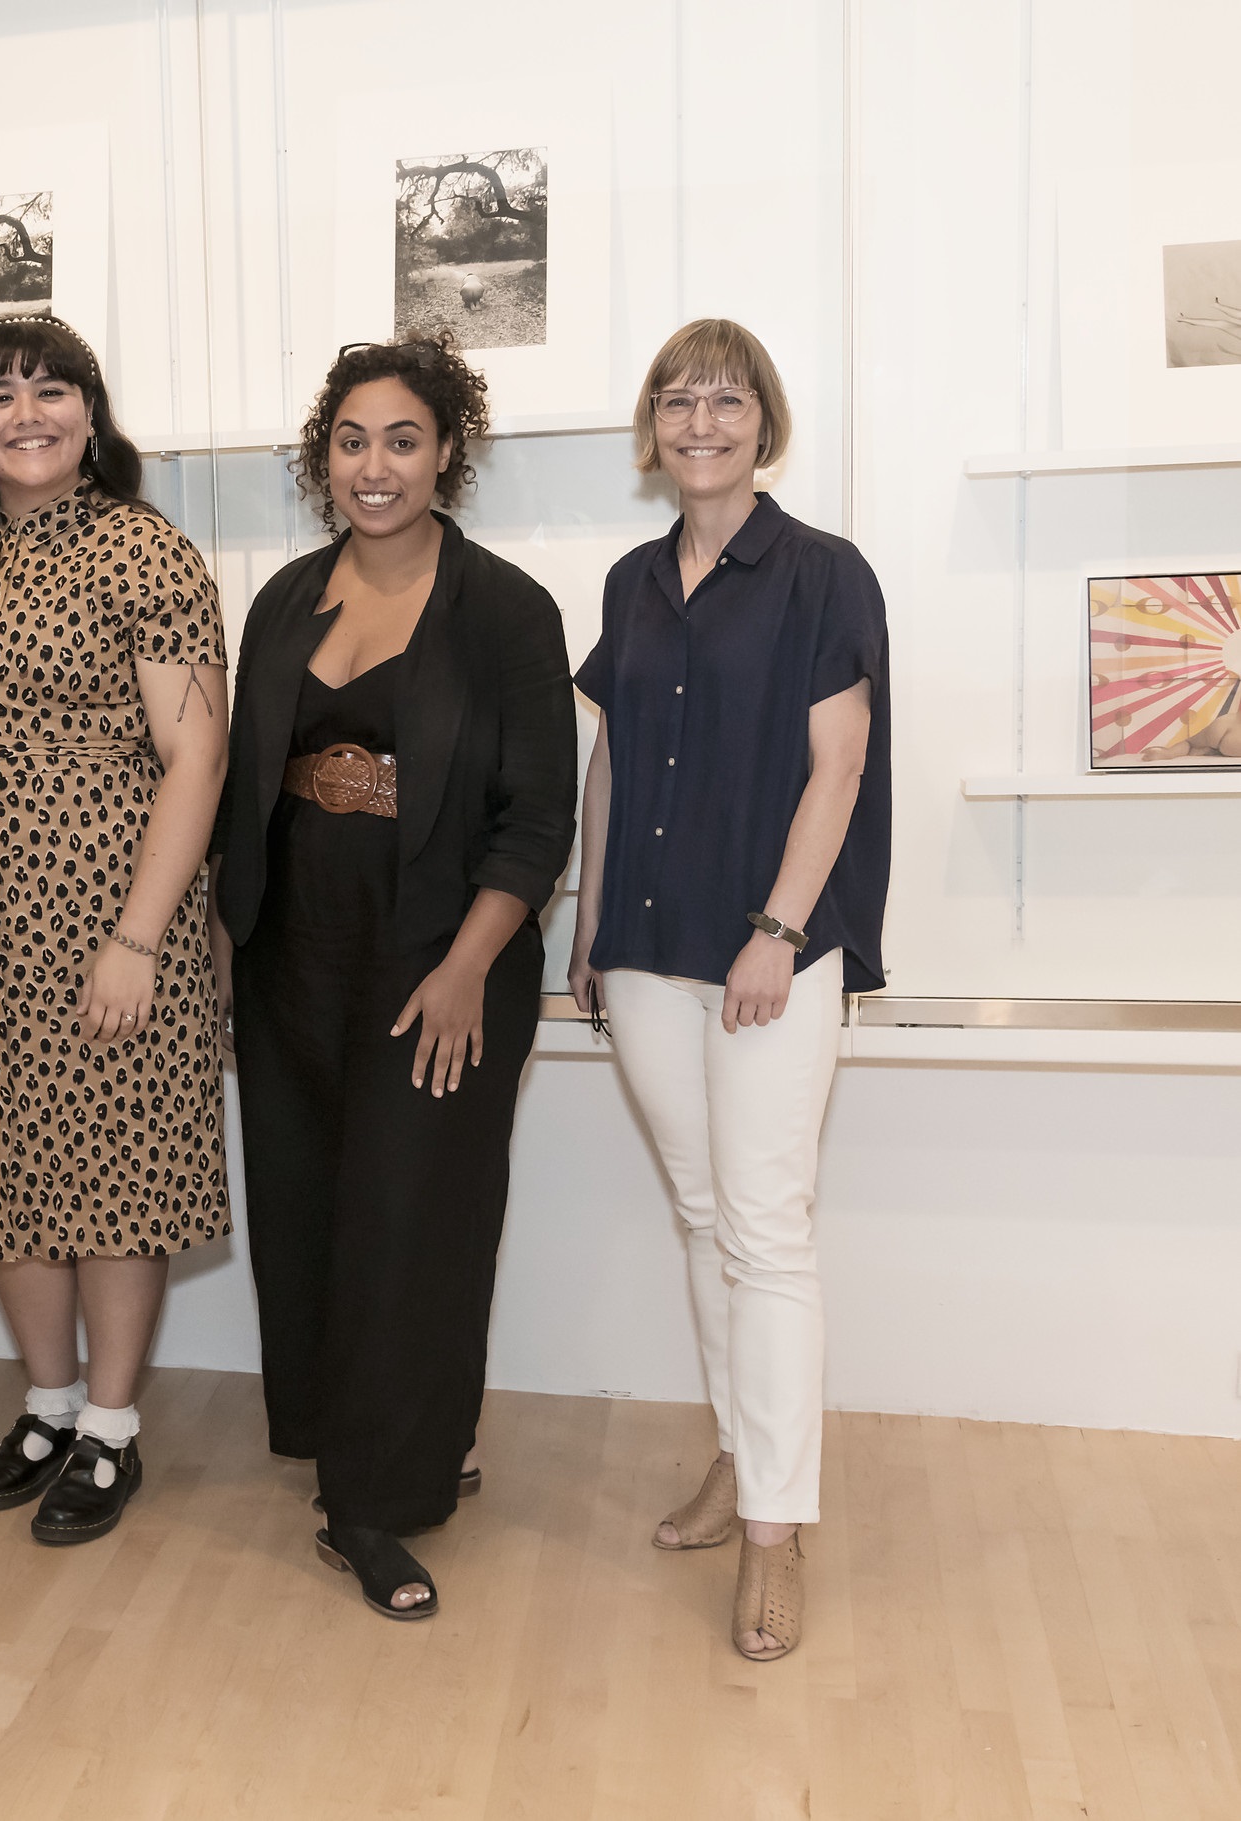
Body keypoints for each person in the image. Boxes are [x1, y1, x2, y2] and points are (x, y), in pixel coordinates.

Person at [208, 332, 578, 1620]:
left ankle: (372, 1505)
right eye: (352, 441)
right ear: (325, 461)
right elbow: (238, 795)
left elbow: (539, 818)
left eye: (402, 440)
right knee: (310, 1210)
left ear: (447, 453)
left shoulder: (509, 611)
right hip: (295, 955)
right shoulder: (279, 602)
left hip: (443, 961)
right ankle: (354, 1443)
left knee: (413, 1224)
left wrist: (474, 963)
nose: (375, 466)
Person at [567, 318, 890, 1662]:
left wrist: (778, 927)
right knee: (707, 1219)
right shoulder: (635, 579)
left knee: (767, 1226)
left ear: (765, 422)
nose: (703, 420)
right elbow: (609, 764)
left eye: (728, 398)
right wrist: (585, 931)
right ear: (653, 426)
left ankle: (775, 1531)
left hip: (772, 950)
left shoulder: (823, 572)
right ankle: (739, 1456)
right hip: (644, 947)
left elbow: (841, 763)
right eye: (679, 400)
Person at [0, 315, 230, 1546]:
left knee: (111, 1170)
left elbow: (197, 756)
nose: (25, 412)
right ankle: (45, 1406)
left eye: (51, 390)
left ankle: (113, 1430)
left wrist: (138, 939)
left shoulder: (146, 552)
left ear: (92, 414)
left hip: (104, 917)